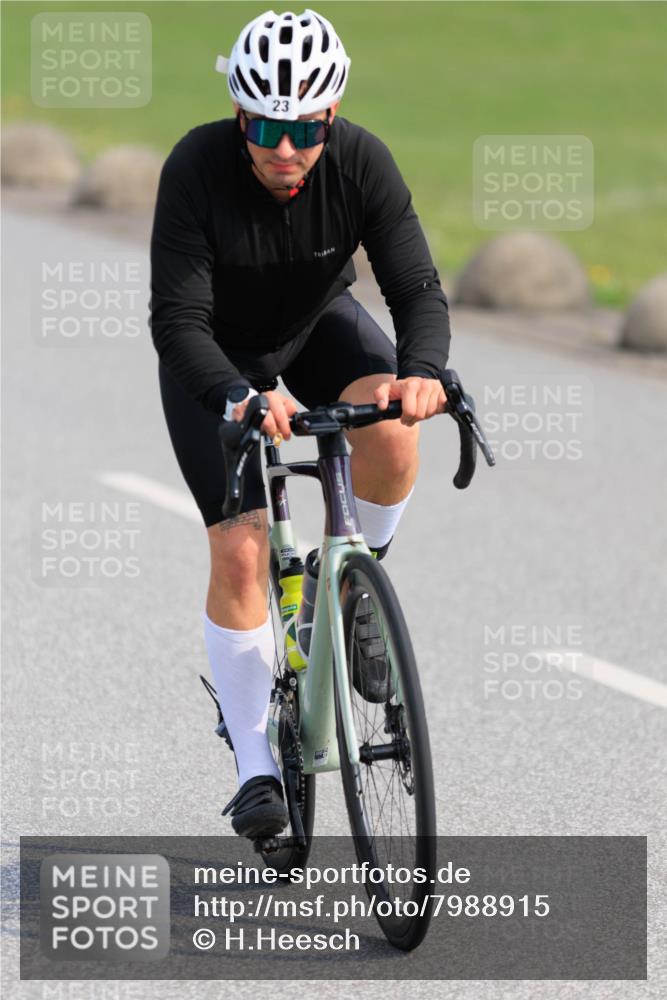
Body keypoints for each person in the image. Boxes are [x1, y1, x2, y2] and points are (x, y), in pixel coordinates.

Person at [150, 8, 451, 839]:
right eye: (267, 126)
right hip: (215, 362)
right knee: (242, 548)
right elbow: (176, 322)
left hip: (317, 325)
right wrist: (239, 397)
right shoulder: (196, 169)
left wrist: (423, 374)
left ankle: (354, 588)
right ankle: (254, 765)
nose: (286, 149)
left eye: (305, 128)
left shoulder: (360, 163)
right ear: (241, 116)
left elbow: (416, 288)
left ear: (330, 118)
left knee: (392, 431)